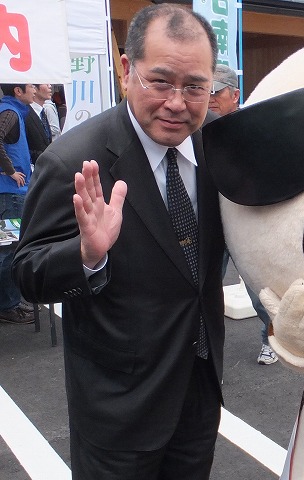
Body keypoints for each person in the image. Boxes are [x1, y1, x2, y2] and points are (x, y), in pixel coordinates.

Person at [13, 5, 225, 479]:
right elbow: (27, 271)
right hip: (119, 408)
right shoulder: (72, 160)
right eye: (160, 82)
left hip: (199, 387)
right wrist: (86, 255)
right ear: (127, 70)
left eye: (194, 86)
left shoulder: (220, 145)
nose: (177, 102)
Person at [209, 64, 278, 365]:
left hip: (245, 221)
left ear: (234, 95)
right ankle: (205, 354)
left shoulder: (250, 128)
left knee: (259, 291)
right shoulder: (195, 128)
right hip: (208, 221)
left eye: (216, 91)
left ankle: (271, 340)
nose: (210, 98)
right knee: (204, 291)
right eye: (205, 90)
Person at [0, 84, 36, 324]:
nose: (34, 89)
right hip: (11, 192)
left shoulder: (12, 111)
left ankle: (10, 301)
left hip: (11, 191)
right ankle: (7, 306)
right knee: (8, 250)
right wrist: (11, 170)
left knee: (11, 248)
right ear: (18, 91)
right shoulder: (10, 112)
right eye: (31, 85)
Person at [25, 85, 52, 165]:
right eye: (45, 83)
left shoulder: (42, 112)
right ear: (34, 88)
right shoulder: (25, 113)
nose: (50, 86)